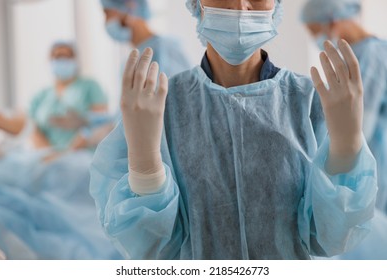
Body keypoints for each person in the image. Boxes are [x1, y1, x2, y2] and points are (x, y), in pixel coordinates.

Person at [90, 0, 378, 260]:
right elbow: (150, 247)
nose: (240, 6)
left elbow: (330, 238)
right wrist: (145, 165)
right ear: (197, 4)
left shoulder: (310, 102)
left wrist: (345, 147)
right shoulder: (164, 107)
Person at [301, 0, 387, 214]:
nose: (316, 40)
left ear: (333, 22)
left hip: (375, 174)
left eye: (315, 32)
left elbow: (357, 126)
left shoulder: (371, 55)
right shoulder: (355, 58)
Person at [29, 41, 109, 153]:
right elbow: (32, 129)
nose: (62, 61)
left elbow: (99, 123)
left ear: (75, 60)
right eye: (57, 57)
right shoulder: (41, 96)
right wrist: (49, 154)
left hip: (83, 154)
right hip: (47, 155)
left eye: (67, 57)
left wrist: (68, 152)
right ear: (49, 60)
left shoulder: (90, 86)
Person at [101, 0, 191, 78]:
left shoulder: (167, 50)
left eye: (107, 13)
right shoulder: (130, 63)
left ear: (130, 8)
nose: (106, 20)